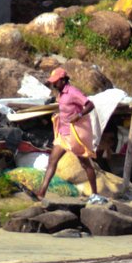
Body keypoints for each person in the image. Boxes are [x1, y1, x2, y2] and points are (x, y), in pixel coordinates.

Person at [35, 67, 96, 201]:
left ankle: (95, 195)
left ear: (63, 80)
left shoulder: (73, 92)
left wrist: (79, 115)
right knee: (52, 160)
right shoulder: (61, 93)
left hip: (74, 135)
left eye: (55, 82)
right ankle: (41, 193)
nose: (53, 84)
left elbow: (90, 105)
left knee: (85, 164)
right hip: (63, 135)